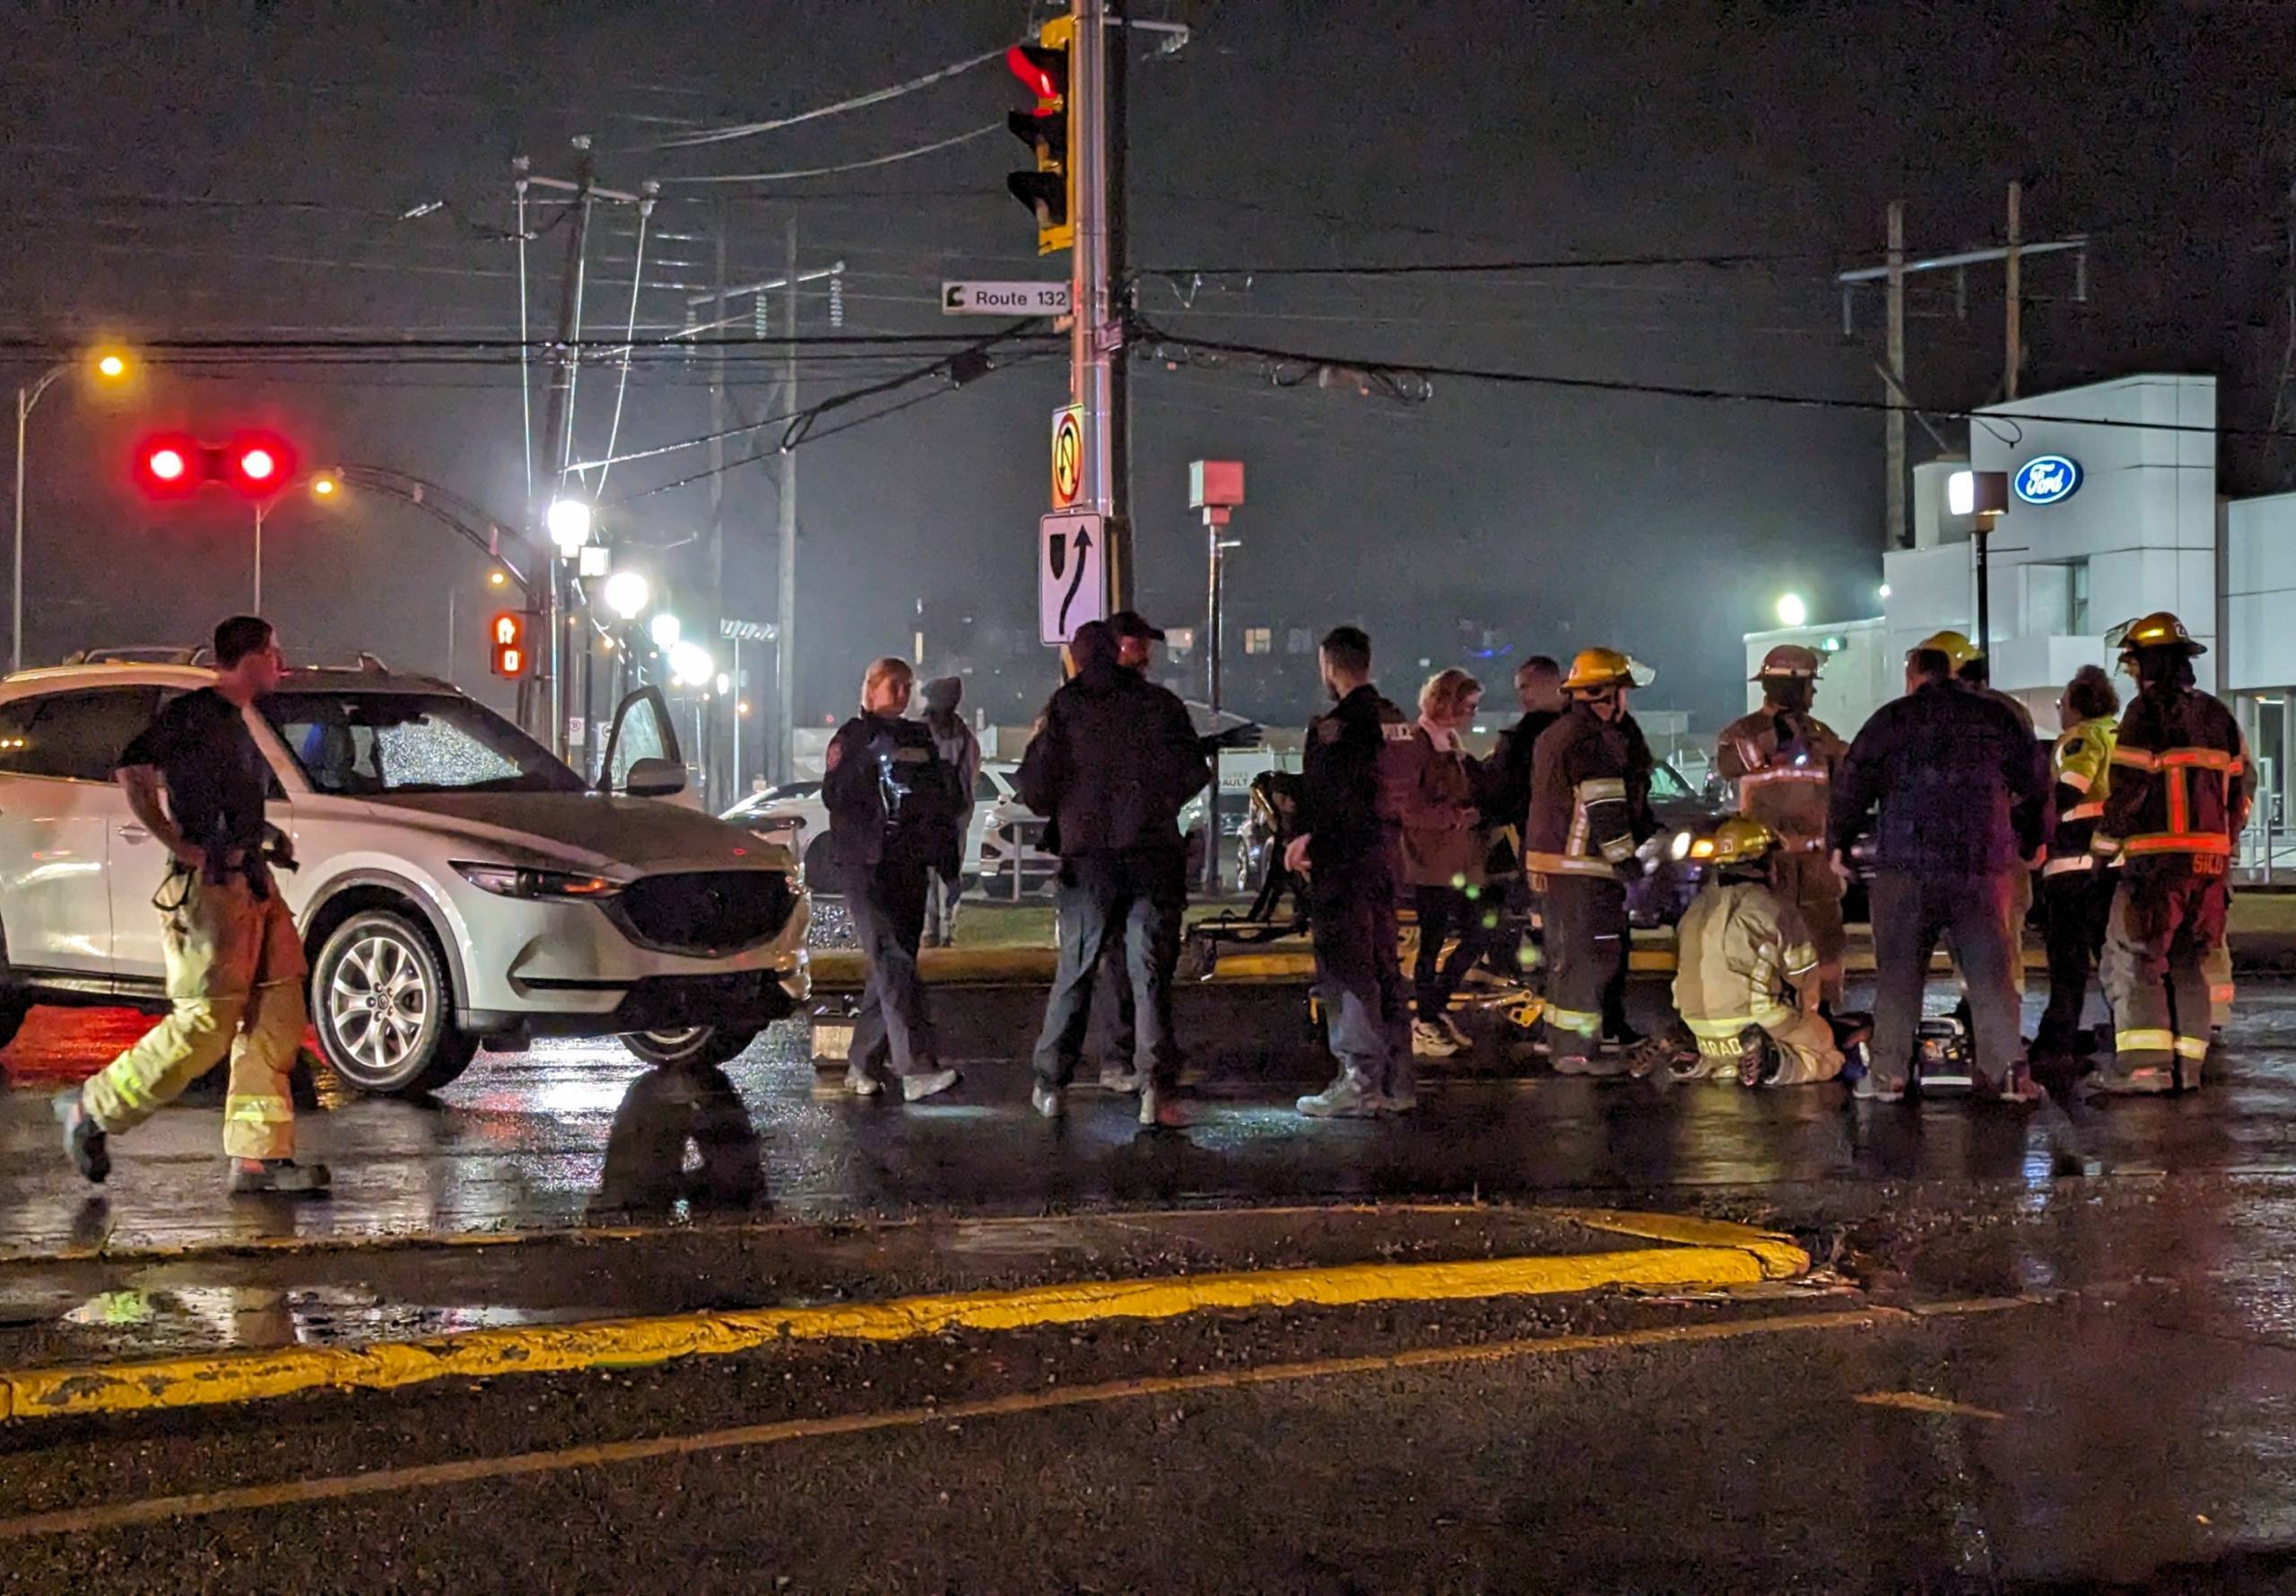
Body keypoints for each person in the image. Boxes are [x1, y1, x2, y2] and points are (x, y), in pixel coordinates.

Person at [54, 615, 329, 1196]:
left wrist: (267, 838)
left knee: (276, 1016)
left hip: (253, 885)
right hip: (211, 894)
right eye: (273, 651)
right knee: (206, 1026)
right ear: (249, 657)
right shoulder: (194, 713)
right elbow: (133, 768)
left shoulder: (237, 720)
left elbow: (228, 799)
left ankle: (257, 1162)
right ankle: (91, 1109)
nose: (282, 661)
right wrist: (177, 842)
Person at [1830, 642, 2048, 1103]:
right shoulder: (1996, 718)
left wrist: (1839, 843)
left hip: (1906, 870)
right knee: (1991, 976)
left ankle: (1889, 1074)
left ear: (1913, 676)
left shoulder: (1891, 719)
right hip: (1981, 869)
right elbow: (2034, 781)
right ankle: (2009, 1074)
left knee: (1900, 975)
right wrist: (2033, 841)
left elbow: (1852, 784)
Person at [1020, 620, 1208, 1128]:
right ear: (1122, 654)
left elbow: (1035, 788)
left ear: (1079, 659)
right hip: (1152, 857)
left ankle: (1052, 1084)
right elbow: (1194, 771)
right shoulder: (1160, 705)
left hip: (1087, 863)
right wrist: (1152, 805)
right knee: (1149, 975)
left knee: (1076, 971)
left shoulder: (1064, 708)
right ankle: (1154, 1089)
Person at [2093, 612, 2248, 1093]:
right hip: (2211, 866)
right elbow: (2240, 794)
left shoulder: (2145, 713)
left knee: (2139, 959)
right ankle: (2188, 1068)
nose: (2133, 673)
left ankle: (2145, 1069)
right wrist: (2221, 845)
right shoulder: (2219, 715)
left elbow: (2130, 785)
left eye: (2135, 663)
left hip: (2157, 864)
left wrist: (2103, 845)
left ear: (2150, 663)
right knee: (2191, 961)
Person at [1284, 625, 1416, 1116]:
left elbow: (1340, 797)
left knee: (1348, 970)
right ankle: (1398, 1081)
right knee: (1385, 967)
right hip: (1387, 858)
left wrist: (1309, 838)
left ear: (1329, 665)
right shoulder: (1395, 720)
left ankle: (1359, 1081)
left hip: (1346, 865)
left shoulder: (1338, 726)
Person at [823, 657, 963, 1104]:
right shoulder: (852, 737)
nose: (902, 694)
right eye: (893, 685)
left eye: (908, 686)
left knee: (895, 962)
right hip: (866, 865)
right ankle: (915, 1067)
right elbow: (834, 794)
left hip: (908, 864)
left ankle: (862, 1062)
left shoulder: (918, 737)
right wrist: (868, 758)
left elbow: (943, 801)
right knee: (892, 960)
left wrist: (945, 860)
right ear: (871, 689)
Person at [1524, 647, 1650, 1075]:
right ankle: (1577, 1053)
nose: (1625, 703)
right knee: (1591, 958)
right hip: (1581, 870)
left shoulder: (1554, 735)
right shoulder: (1592, 741)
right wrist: (1627, 861)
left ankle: (1562, 1044)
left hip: (1551, 866)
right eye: (1621, 692)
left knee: (1566, 959)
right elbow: (1606, 810)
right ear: (1604, 694)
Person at [1715, 644, 1849, 1009]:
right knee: (1768, 941)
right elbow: (1729, 763)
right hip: (1768, 866)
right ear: (1792, 687)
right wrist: (1775, 735)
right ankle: (1774, 1016)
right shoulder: (1744, 732)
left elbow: (1848, 779)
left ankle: (1826, 1013)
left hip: (1816, 866)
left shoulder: (1822, 735)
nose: (1814, 693)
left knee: (1825, 944)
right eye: (1809, 685)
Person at [1670, 818, 1843, 1086]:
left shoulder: (1693, 911)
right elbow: (1805, 979)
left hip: (1699, 1028)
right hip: (1755, 1022)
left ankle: (1704, 1062)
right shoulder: (1774, 908)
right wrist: (1806, 1019)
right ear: (1765, 862)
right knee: (1826, 1050)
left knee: (1725, 1062)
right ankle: (1776, 1063)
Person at [1397, 668, 1492, 1058]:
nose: (1472, 715)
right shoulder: (1417, 747)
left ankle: (1432, 1009)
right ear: (1447, 703)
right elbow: (1410, 807)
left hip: (1459, 861)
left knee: (1477, 931)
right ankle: (1427, 1017)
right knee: (1434, 939)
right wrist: (1455, 816)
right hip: (1430, 862)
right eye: (1468, 706)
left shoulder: (1450, 744)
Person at [2034, 664, 2120, 1057]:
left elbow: (2071, 789)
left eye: (2060, 702)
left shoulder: (2081, 738)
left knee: (2067, 958)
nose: (2059, 711)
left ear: (2077, 705)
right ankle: (2127, 1029)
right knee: (2115, 955)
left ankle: (2059, 1038)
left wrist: (2032, 821)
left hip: (2075, 862)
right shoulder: (2121, 735)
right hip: (2116, 862)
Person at [918, 676, 982, 949]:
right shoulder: (965, 735)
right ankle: (948, 928)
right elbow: (971, 776)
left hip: (926, 813)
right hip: (955, 813)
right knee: (951, 872)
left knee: (927, 870)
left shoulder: (919, 732)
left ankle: (930, 928)